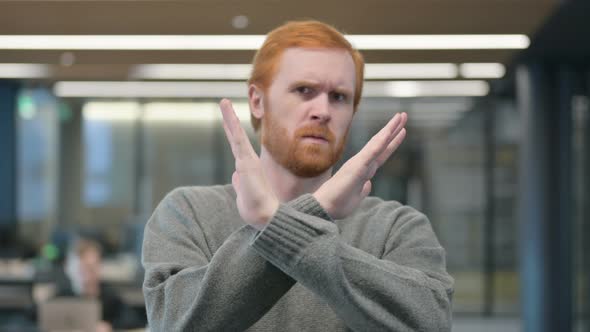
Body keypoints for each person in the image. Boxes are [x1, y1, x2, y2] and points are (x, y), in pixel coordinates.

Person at [142, 20, 454, 331]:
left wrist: (271, 219)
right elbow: (173, 324)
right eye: (304, 90)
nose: (323, 111)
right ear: (257, 101)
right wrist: (317, 210)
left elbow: (430, 324)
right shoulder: (190, 213)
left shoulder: (395, 227)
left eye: (339, 97)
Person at [59, 237, 142, 331]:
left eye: (93, 267)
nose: (89, 273)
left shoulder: (110, 297)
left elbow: (133, 321)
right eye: (85, 268)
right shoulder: (64, 295)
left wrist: (110, 326)